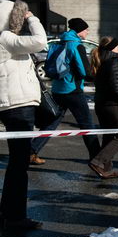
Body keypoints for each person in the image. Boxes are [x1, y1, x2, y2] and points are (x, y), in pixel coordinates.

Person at [0, 0, 47, 229]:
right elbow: (40, 41)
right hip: (18, 105)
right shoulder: (6, 37)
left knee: (16, 164)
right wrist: (31, 17)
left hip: (8, 102)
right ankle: (14, 217)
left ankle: (7, 213)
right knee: (18, 164)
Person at [30, 18, 101, 167]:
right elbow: (84, 71)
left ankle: (31, 152)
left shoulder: (60, 42)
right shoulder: (76, 45)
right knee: (87, 125)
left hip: (58, 90)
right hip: (73, 91)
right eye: (86, 29)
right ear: (79, 30)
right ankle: (98, 160)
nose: (88, 31)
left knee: (51, 123)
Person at [88, 36, 118, 179]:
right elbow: (117, 87)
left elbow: (115, 81)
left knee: (109, 135)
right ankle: (98, 162)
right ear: (112, 48)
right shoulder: (113, 62)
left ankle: (106, 168)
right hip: (113, 105)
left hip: (101, 104)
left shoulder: (102, 61)